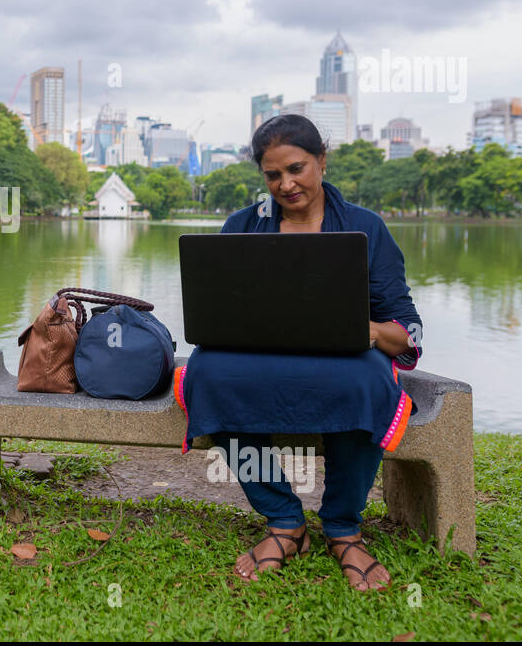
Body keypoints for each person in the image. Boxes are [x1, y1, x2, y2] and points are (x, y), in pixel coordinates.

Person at [178, 115, 423, 591]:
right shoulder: (243, 226)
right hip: (260, 356)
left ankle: (343, 528)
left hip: (348, 358)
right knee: (205, 372)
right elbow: (220, 311)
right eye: (273, 175)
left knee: (368, 381)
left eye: (297, 168)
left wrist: (363, 329)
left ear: (321, 161)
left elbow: (405, 330)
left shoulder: (365, 227)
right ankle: (285, 520)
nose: (286, 184)